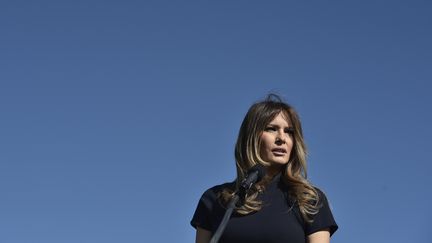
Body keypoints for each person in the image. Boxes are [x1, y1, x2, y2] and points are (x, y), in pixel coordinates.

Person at [190, 94, 338, 243]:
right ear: (251, 137)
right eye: (272, 129)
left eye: (289, 131)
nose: (282, 138)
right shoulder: (214, 199)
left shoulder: (309, 200)